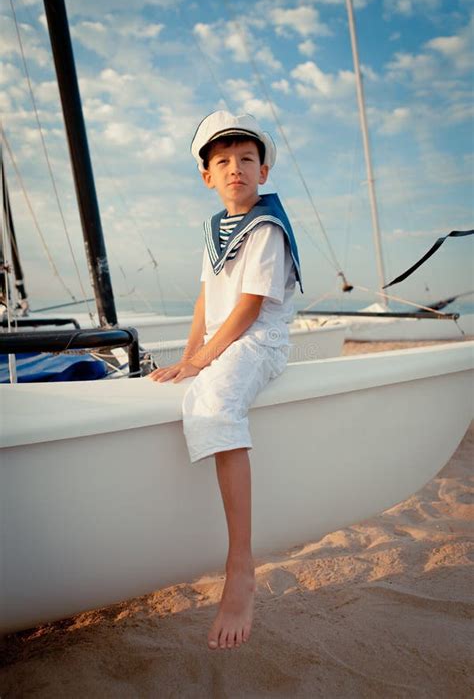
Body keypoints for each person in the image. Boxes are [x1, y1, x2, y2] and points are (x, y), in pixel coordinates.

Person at [148, 110, 303, 650]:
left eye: (245, 159)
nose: (234, 168)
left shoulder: (264, 228)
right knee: (172, 383)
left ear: (262, 172)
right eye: (222, 161)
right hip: (225, 340)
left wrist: (204, 362)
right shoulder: (216, 230)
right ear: (206, 176)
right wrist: (187, 356)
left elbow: (247, 309)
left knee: (214, 403)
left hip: (258, 339)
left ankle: (240, 564)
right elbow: (204, 303)